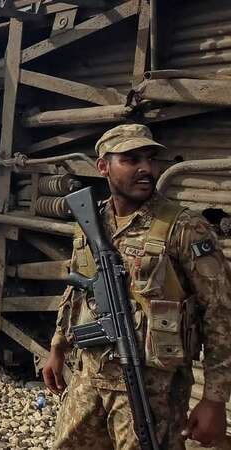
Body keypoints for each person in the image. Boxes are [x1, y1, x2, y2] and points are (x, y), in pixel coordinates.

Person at [43, 124, 231, 449]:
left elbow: (221, 313)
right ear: (103, 166)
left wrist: (214, 398)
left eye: (150, 158)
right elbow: (78, 289)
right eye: (131, 159)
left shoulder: (185, 228)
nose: (146, 168)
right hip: (89, 376)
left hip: (151, 389)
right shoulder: (92, 220)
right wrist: (58, 347)